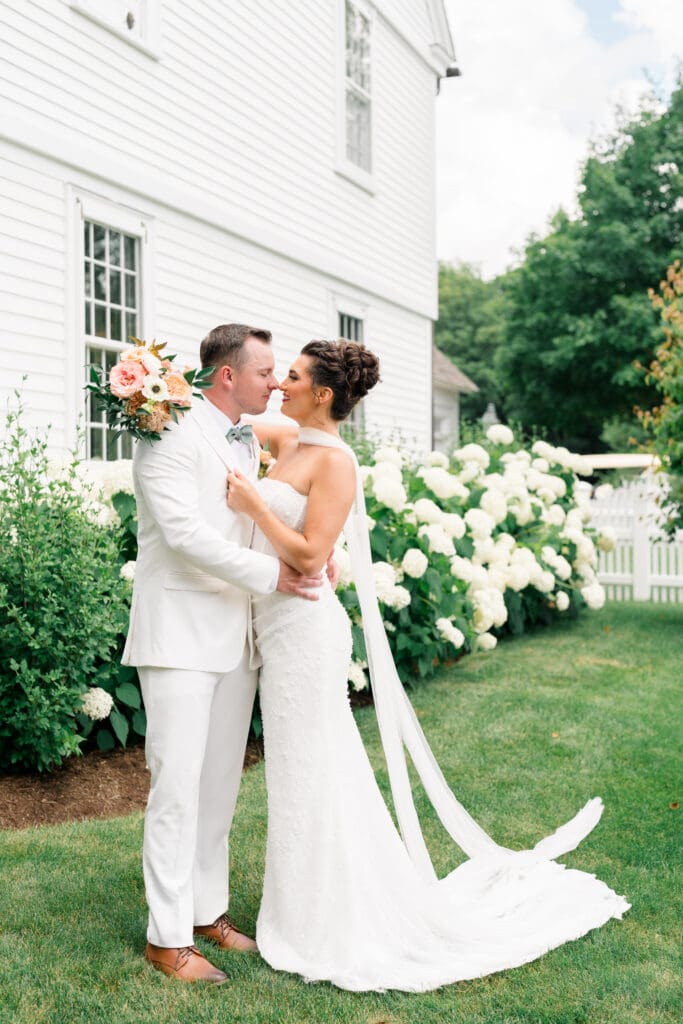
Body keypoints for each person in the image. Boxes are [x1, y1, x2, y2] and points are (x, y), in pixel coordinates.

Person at [224, 338, 630, 993]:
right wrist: (159, 392)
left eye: (291, 377)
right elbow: (230, 418)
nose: (280, 386)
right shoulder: (289, 437)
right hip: (276, 629)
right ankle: (309, 907)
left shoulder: (333, 462)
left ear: (323, 394)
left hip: (303, 629)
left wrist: (255, 507)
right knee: (303, 773)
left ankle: (324, 921)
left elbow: (307, 555)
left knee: (311, 770)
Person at [121, 324, 325, 984]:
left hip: (234, 637)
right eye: (266, 372)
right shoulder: (166, 433)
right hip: (179, 634)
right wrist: (273, 577)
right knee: (176, 788)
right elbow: (182, 535)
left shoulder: (243, 436)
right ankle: (165, 938)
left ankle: (207, 912)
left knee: (217, 790)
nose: (275, 382)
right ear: (226, 376)